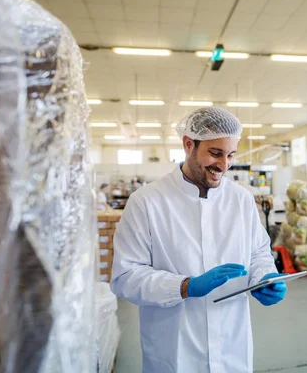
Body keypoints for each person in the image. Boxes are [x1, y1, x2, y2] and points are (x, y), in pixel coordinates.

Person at [111, 107, 286, 372]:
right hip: (175, 350)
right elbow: (125, 277)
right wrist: (184, 286)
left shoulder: (241, 199)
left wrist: (264, 277)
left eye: (230, 155)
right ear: (188, 144)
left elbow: (258, 253)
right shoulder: (147, 201)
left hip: (231, 348)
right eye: (215, 153)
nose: (224, 165)